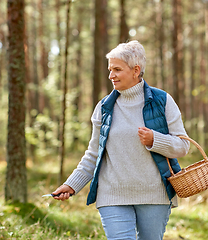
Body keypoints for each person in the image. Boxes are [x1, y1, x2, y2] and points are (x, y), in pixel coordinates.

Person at [52, 40, 190, 240]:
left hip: (154, 194)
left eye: (117, 69)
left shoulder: (163, 101)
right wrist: (72, 185)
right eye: (110, 69)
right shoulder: (104, 107)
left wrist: (155, 139)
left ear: (136, 70)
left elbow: (183, 146)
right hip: (112, 194)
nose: (111, 75)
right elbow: (93, 154)